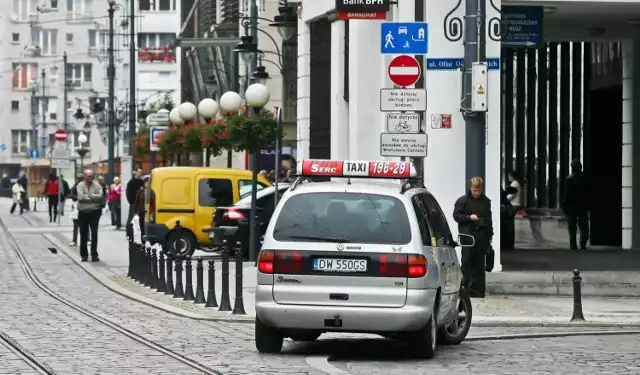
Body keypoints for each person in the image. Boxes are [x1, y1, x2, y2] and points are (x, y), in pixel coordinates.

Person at [453, 177, 493, 298]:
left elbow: (489, 220)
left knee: (479, 263)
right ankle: (464, 287)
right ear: (471, 188)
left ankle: (478, 290)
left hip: (481, 236)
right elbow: (456, 216)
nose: (476, 193)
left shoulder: (486, 202)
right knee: (466, 261)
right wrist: (469, 217)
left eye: (478, 191)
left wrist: (490, 235)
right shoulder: (462, 201)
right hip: (467, 236)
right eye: (474, 190)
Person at [76, 170, 104, 262]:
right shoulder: (80, 185)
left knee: (94, 234)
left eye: (91, 176)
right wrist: (93, 198)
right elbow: (80, 197)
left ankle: (94, 255)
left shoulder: (97, 185)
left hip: (94, 212)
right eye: (88, 176)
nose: (90, 178)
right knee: (83, 234)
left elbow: (100, 196)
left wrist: (87, 196)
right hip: (83, 212)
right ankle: (84, 255)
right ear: (84, 176)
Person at [563, 159, 590, 250]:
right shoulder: (586, 178)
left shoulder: (569, 179)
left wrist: (565, 206)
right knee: (584, 226)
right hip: (582, 205)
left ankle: (573, 244)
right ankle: (583, 243)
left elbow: (566, 195)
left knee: (572, 226)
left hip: (571, 206)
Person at [131, 177, 148, 243]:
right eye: (146, 182)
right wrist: (135, 211)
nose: (147, 184)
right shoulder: (140, 191)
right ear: (144, 183)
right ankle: (143, 241)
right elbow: (136, 202)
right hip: (142, 211)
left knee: (148, 227)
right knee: (142, 227)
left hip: (150, 212)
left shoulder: (152, 190)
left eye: (148, 182)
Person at [69, 173, 84, 246]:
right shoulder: (74, 187)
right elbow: (72, 196)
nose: (79, 180)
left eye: (80, 179)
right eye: (78, 179)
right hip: (76, 207)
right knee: (76, 225)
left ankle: (86, 239)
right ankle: (74, 240)